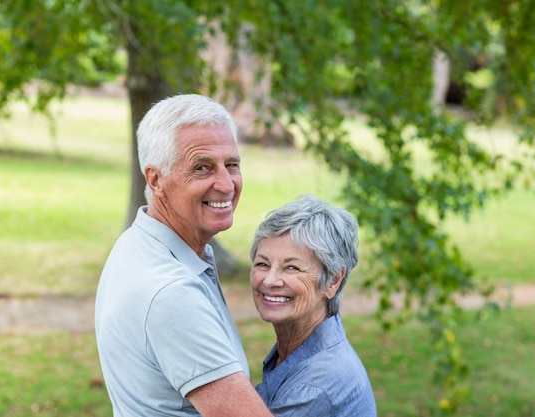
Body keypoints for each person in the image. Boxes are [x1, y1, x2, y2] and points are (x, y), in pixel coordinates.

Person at [95, 94, 274, 417]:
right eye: (202, 168)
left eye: (231, 165)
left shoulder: (137, 244)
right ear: (155, 179)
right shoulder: (171, 293)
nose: (226, 184)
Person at [250, 194, 377, 417]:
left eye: (292, 268)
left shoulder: (316, 386)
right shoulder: (300, 353)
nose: (269, 280)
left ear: (333, 281)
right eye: (262, 264)